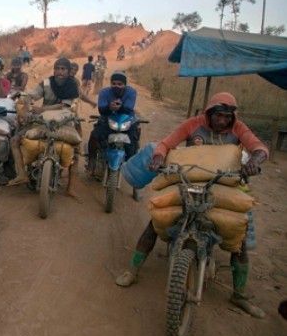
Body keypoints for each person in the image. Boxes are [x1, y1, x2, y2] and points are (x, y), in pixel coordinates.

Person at [114, 92, 269, 319]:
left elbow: (260, 148)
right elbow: (167, 143)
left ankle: (239, 294)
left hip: (223, 183)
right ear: (209, 113)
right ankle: (132, 270)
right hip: (189, 179)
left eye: (227, 117)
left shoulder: (239, 129)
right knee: (155, 223)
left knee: (240, 239)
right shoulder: (194, 124)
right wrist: (158, 157)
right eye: (218, 115)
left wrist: (255, 161)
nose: (222, 121)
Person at [8, 57, 96, 190]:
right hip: (43, 120)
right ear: (53, 70)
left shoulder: (73, 85)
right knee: (15, 139)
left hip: (64, 121)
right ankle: (21, 174)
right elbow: (33, 94)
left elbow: (64, 105)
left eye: (63, 69)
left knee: (75, 148)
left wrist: (42, 109)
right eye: (57, 68)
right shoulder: (46, 83)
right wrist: (26, 100)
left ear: (68, 71)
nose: (60, 72)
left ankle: (71, 187)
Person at [87, 72, 139, 174]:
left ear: (125, 84)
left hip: (126, 121)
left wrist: (120, 107)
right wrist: (109, 107)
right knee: (94, 135)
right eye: (114, 83)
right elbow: (101, 109)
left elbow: (129, 108)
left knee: (133, 140)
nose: (116, 86)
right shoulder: (104, 92)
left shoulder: (131, 92)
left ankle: (130, 164)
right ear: (110, 84)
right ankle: (91, 159)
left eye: (120, 84)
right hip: (108, 119)